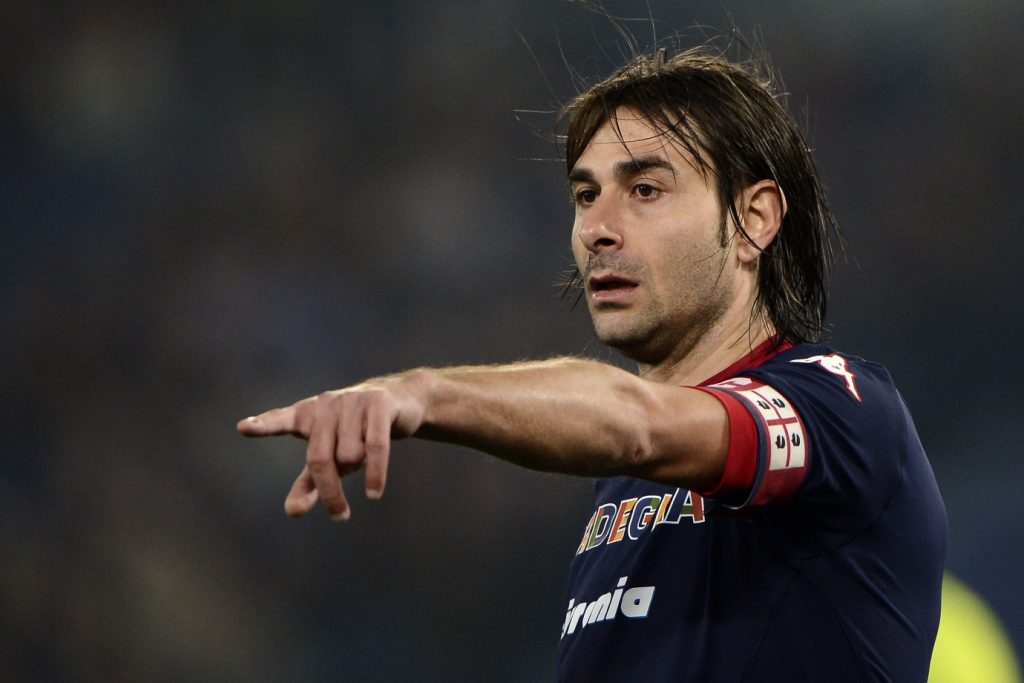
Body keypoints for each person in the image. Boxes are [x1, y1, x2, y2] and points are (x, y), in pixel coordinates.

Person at [238, 44, 947, 682]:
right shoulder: (622, 494)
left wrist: (424, 394)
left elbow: (636, 424)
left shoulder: (840, 409)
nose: (597, 229)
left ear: (753, 218)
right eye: (585, 195)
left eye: (645, 190)